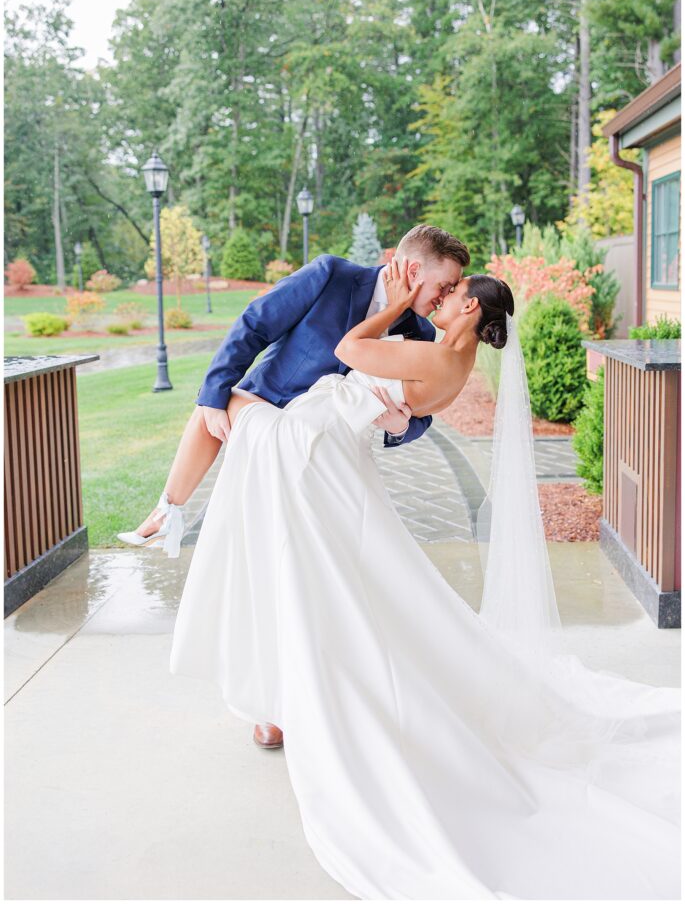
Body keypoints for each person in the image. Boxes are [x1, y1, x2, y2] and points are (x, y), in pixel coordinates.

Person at [168, 259, 680, 900]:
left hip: (317, 449)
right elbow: (397, 402)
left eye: (450, 294)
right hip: (330, 451)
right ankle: (275, 678)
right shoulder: (444, 356)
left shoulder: (437, 357)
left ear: (469, 310)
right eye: (439, 288)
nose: (436, 299)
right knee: (331, 574)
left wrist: (395, 305)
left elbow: (349, 349)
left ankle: (173, 517)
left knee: (237, 411)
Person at [118, 224, 468, 745]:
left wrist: (399, 426)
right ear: (413, 270)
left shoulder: (421, 335)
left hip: (328, 463)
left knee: (323, 582)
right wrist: (214, 394)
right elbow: (255, 325)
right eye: (443, 286)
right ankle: (271, 703)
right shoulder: (331, 276)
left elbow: (419, 413)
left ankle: (329, 692)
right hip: (269, 428)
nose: (445, 298)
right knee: (267, 568)